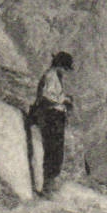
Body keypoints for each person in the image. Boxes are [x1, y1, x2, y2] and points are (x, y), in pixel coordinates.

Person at [31, 51, 74, 195]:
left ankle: (49, 186)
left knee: (56, 152)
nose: (66, 72)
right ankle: (47, 188)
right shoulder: (51, 77)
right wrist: (63, 100)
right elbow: (46, 96)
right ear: (60, 66)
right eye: (65, 69)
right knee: (53, 151)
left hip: (55, 116)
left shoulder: (55, 76)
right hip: (51, 117)